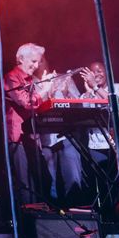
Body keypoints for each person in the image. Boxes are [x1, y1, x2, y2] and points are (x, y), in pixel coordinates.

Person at [4, 43, 57, 205]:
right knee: (25, 183)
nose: (36, 66)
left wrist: (49, 90)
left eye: (38, 62)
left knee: (43, 179)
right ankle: (28, 224)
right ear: (20, 59)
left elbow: (38, 105)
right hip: (17, 136)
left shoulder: (30, 80)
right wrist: (45, 89)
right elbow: (26, 103)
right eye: (33, 61)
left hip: (31, 136)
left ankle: (40, 217)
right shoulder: (11, 77)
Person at [34, 57, 85, 203]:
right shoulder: (30, 82)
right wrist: (48, 92)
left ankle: (76, 207)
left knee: (73, 174)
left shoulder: (64, 78)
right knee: (50, 181)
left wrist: (65, 92)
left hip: (66, 134)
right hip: (44, 137)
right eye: (34, 61)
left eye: (41, 60)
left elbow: (79, 103)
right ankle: (53, 214)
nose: (37, 64)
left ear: (47, 62)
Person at [79, 61, 119, 165]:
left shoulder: (118, 87)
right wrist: (89, 91)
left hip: (118, 142)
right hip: (96, 145)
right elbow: (82, 112)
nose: (96, 74)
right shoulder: (86, 94)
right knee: (102, 177)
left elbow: (116, 103)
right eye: (93, 72)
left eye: (99, 71)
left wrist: (95, 87)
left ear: (107, 72)